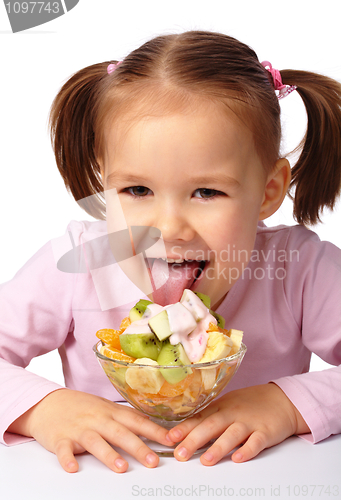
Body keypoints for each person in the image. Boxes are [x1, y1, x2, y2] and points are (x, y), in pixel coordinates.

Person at [1, 30, 340, 473]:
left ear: (268, 190)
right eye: (137, 189)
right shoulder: (77, 263)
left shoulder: (299, 270)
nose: (168, 229)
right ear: (105, 182)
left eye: (206, 191)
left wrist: (289, 403)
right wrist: (41, 407)